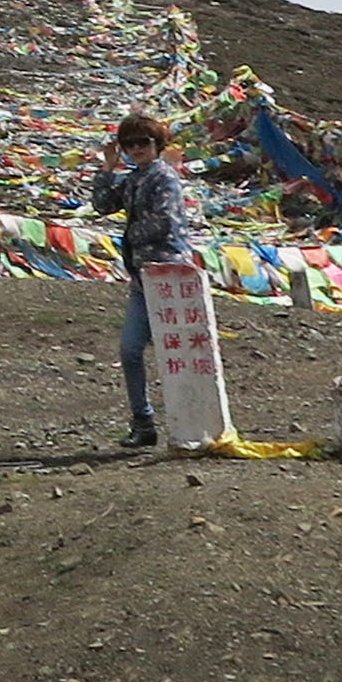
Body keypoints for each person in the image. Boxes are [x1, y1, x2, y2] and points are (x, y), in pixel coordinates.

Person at [86, 109, 203, 447]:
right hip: (143, 277)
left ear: (157, 144)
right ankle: (144, 420)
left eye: (142, 143)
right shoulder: (136, 178)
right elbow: (102, 205)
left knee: (174, 349)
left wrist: (129, 237)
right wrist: (107, 169)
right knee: (131, 349)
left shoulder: (163, 178)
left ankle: (190, 421)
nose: (136, 149)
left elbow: (164, 222)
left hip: (169, 272)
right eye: (129, 144)